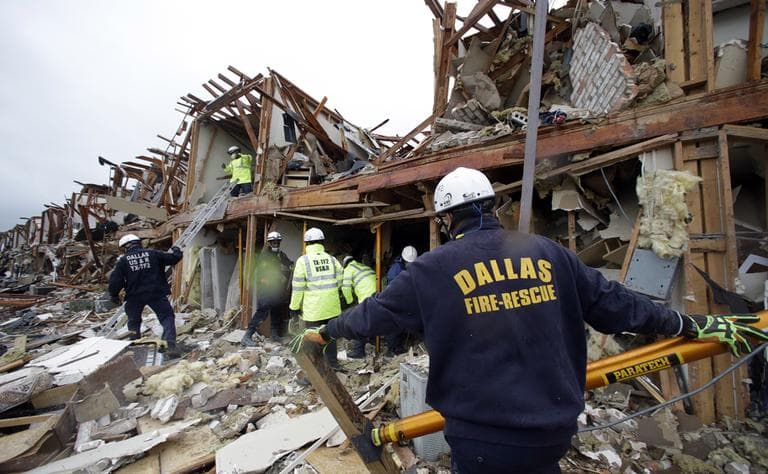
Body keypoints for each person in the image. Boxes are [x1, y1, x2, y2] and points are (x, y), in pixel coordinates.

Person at [303, 166, 768, 473]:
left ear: (447, 220)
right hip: (553, 431)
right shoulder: (548, 253)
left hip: (483, 437)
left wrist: (326, 330)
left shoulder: (432, 269)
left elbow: (373, 317)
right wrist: (688, 325)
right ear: (493, 209)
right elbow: (618, 305)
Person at [108, 234, 186, 358]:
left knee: (133, 321)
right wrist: (177, 250)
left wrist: (114, 295)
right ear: (139, 243)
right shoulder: (153, 253)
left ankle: (135, 349)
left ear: (125, 247)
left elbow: (115, 281)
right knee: (167, 317)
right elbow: (173, 259)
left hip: (134, 296)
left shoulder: (123, 261)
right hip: (156, 292)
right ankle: (169, 345)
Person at [289, 227, 344, 369]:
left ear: (307, 244)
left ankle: (317, 369)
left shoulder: (303, 261)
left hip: (314, 310)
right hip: (332, 308)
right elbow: (340, 279)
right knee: (330, 336)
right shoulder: (331, 259)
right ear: (322, 242)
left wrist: (294, 308)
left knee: (314, 339)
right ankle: (333, 364)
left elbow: (298, 288)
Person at [242, 231, 293, 346]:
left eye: (277, 242)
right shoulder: (264, 256)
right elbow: (259, 274)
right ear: (269, 243)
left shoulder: (280, 254)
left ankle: (274, 336)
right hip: (266, 290)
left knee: (276, 311)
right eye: (273, 242)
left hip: (276, 289)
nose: (276, 244)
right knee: (262, 312)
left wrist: (290, 268)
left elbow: (289, 264)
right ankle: (247, 336)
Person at [382, 245, 418, 356]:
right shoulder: (395, 270)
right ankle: (391, 349)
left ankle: (398, 346)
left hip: (403, 298)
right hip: (394, 298)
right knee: (393, 323)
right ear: (403, 259)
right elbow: (394, 288)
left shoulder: (408, 266)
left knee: (401, 323)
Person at [340, 255, 377, 358]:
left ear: (345, 264)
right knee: (375, 319)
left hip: (366, 296)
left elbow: (346, 288)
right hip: (378, 294)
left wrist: (350, 302)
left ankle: (358, 352)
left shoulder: (348, 269)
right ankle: (374, 341)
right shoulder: (363, 266)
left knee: (359, 323)